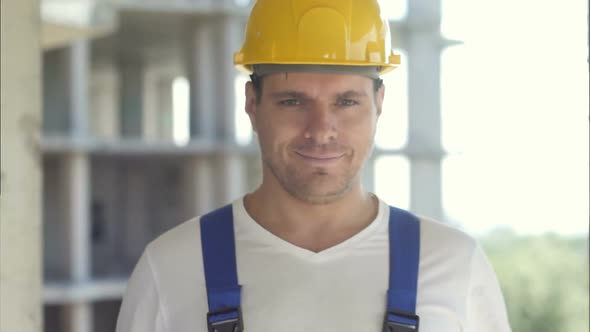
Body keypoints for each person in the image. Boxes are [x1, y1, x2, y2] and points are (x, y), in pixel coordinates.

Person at [116, 0, 512, 331]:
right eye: (293, 101)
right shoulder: (169, 271)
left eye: (346, 102)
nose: (321, 130)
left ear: (378, 105)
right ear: (252, 104)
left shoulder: (455, 267)